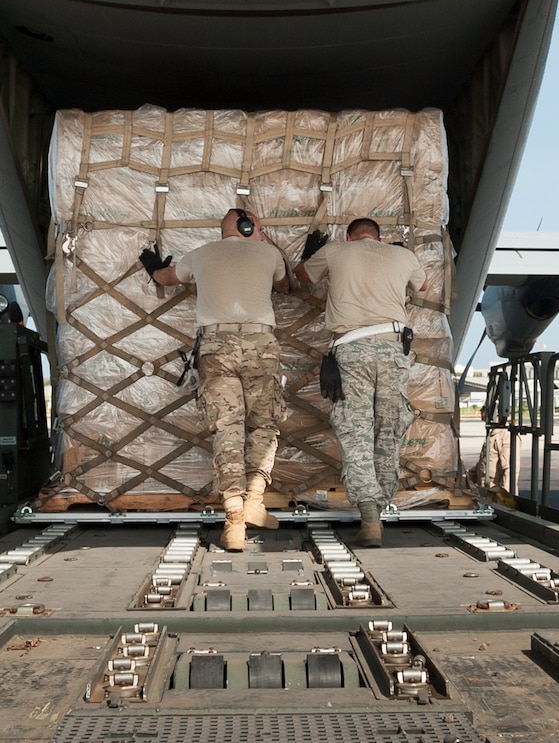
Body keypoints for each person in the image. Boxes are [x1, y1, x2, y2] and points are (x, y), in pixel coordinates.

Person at [143, 209, 289, 550]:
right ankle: (255, 499)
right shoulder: (269, 253)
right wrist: (265, 246)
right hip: (260, 345)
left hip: (216, 347)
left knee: (227, 429)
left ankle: (235, 520)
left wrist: (152, 266)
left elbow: (165, 278)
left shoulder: (202, 253)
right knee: (264, 425)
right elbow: (284, 285)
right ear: (250, 227)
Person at [295, 218, 420, 547]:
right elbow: (423, 287)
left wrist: (312, 254)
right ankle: (381, 504)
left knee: (357, 431)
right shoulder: (403, 256)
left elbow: (301, 278)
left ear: (349, 236)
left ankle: (369, 517)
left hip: (351, 350)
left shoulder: (335, 251)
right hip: (394, 350)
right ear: (379, 237)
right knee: (388, 430)